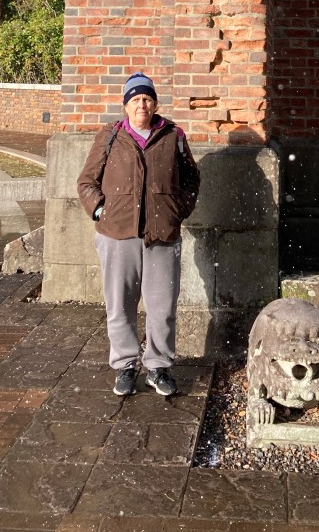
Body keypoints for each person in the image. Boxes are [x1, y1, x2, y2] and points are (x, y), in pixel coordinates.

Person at [77, 72, 201, 397]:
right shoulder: (109, 136)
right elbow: (86, 182)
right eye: (135, 100)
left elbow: (191, 179)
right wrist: (100, 210)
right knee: (120, 304)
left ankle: (159, 367)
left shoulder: (174, 136)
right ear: (126, 106)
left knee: (162, 306)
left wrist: (178, 211)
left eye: (146, 98)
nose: (141, 105)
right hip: (117, 234)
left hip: (162, 235)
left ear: (155, 103)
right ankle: (125, 366)